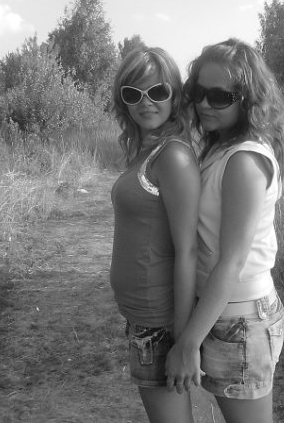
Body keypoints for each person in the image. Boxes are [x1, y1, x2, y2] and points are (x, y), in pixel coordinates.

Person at [165, 38, 284, 423]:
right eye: (198, 92)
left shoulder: (244, 161)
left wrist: (188, 343)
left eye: (219, 97)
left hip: (240, 319)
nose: (204, 104)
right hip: (225, 313)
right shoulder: (221, 148)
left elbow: (232, 261)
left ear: (248, 100)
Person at [109, 47, 200, 423]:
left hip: (159, 323)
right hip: (143, 318)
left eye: (157, 91)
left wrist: (182, 340)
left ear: (174, 96)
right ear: (124, 100)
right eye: (133, 93)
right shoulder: (148, 149)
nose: (145, 102)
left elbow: (188, 250)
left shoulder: (173, 157)